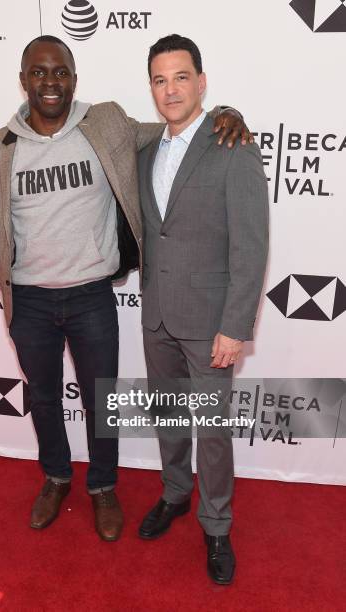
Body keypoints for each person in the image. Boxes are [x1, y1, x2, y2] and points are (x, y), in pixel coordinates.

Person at [0, 34, 250, 543]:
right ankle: (56, 477)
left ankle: (103, 487)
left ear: (75, 78)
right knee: (46, 400)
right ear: (23, 80)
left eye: (60, 72)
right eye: (39, 72)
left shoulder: (107, 124)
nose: (50, 82)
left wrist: (226, 111)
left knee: (102, 401)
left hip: (92, 296)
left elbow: (177, 129)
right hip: (28, 301)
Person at [137, 34, 269, 583]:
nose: (171, 90)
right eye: (160, 80)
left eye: (181, 77)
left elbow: (252, 244)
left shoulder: (231, 145)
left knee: (211, 432)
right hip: (158, 316)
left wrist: (236, 326)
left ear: (202, 81)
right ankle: (174, 492)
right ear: (151, 88)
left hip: (211, 322)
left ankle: (217, 526)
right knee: (168, 416)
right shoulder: (144, 148)